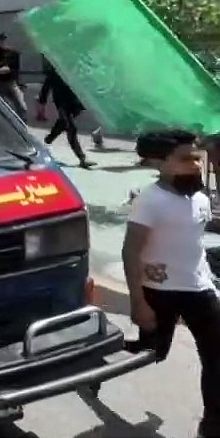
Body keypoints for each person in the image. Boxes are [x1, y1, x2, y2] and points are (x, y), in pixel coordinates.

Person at [124, 129, 220, 437]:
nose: (193, 165)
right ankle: (95, 363)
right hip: (160, 293)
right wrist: (138, 303)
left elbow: (193, 236)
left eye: (195, 158)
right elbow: (131, 252)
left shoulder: (201, 197)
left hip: (200, 289)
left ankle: (213, 425)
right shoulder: (149, 201)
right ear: (158, 161)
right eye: (184, 159)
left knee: (217, 358)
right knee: (152, 352)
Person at [37, 61, 95, 169]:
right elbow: (45, 89)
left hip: (74, 103)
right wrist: (41, 106)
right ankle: (82, 158)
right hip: (62, 103)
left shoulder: (74, 69)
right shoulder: (54, 73)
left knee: (63, 123)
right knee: (71, 128)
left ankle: (48, 139)